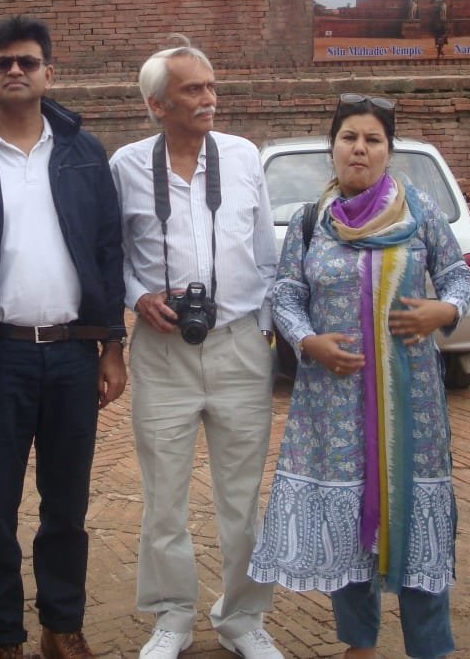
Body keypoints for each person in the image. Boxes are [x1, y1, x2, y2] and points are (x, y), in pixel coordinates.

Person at [0, 15, 127, 659]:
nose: (16, 71)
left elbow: (108, 251)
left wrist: (112, 343)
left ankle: (61, 625)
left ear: (49, 73)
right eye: (3, 62)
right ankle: (2, 635)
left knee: (66, 505)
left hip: (71, 353)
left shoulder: (83, 154)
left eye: (28, 61)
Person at [248, 94, 470, 659]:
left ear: (388, 151)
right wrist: (309, 341)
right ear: (332, 147)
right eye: (349, 137)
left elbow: (458, 275)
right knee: (346, 521)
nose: (360, 149)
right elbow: (286, 292)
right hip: (334, 404)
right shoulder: (311, 222)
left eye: (373, 139)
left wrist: (443, 310)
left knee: (417, 516)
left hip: (412, 402)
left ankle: (430, 645)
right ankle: (359, 642)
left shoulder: (419, 212)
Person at [110, 39, 282, 659]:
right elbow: (112, 255)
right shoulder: (126, 166)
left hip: (239, 346)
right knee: (164, 498)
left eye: (211, 85)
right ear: (157, 105)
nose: (209, 98)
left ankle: (242, 617)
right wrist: (137, 297)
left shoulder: (243, 156)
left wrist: (264, 329)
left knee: (242, 498)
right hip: (162, 354)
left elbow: (265, 252)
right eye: (193, 89)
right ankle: (172, 616)